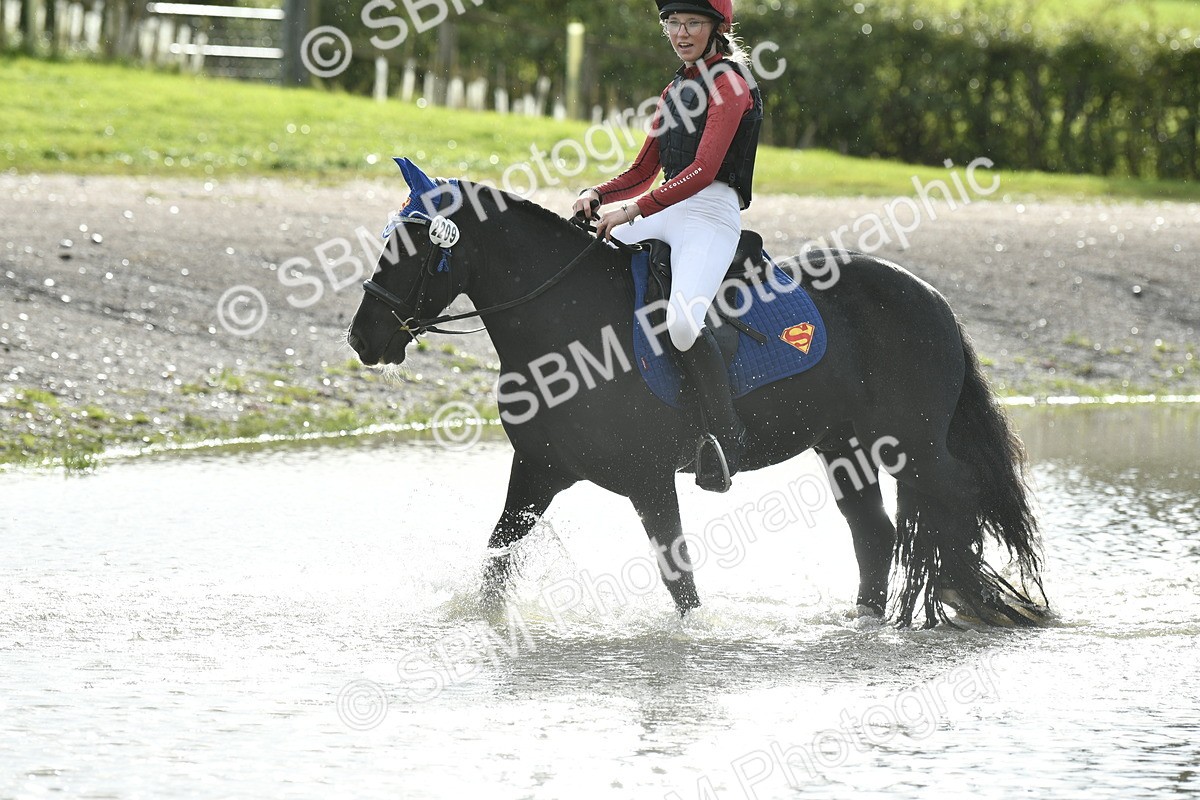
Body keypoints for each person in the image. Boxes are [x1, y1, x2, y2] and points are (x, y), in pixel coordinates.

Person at [572, 0, 763, 493]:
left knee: (682, 324)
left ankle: (726, 436)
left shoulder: (731, 84)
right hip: (668, 205)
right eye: (673, 23)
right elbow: (640, 172)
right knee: (580, 243)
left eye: (693, 23)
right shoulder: (676, 87)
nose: (681, 33)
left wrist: (633, 210)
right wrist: (598, 195)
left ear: (718, 28)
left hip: (710, 212)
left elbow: (702, 171)